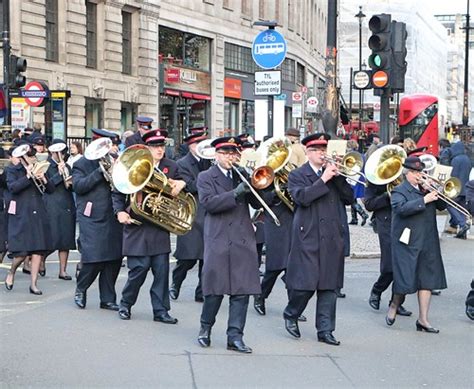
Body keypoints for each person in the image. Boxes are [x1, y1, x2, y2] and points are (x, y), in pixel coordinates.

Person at [283, 134, 353, 346]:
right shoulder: (297, 174)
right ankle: (291, 313)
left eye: (324, 150)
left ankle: (325, 330)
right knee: (306, 284)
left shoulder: (335, 174)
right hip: (308, 235)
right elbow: (301, 198)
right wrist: (323, 179)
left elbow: (349, 198)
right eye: (317, 150)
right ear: (307, 152)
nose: (322, 154)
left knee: (329, 286)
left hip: (332, 236)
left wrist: (339, 177)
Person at [196, 136, 261, 354]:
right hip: (219, 237)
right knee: (215, 290)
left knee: (241, 291)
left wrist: (258, 185)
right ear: (216, 155)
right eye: (225, 153)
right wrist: (235, 193)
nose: (230, 157)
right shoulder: (206, 177)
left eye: (233, 153)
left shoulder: (241, 174)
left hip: (242, 237)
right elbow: (209, 204)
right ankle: (206, 327)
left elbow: (258, 203)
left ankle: (235, 336)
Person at [114, 129, 186, 323]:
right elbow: (118, 192)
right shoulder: (135, 164)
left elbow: (186, 187)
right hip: (137, 226)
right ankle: (126, 304)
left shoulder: (171, 166)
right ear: (147, 148)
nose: (159, 150)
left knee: (161, 272)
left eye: (162, 146)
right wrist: (120, 211)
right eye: (155, 146)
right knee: (138, 270)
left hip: (159, 226)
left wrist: (181, 183)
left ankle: (161, 311)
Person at [385, 157, 447, 333]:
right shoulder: (399, 190)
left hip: (427, 239)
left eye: (421, 172)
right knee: (405, 278)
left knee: (427, 279)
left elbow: (442, 206)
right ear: (407, 174)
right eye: (415, 173)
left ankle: (423, 319)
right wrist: (424, 200)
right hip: (407, 240)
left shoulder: (427, 188)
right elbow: (401, 209)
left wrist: (438, 190)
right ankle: (394, 305)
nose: (419, 176)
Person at [72, 128, 123, 311]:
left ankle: (108, 298)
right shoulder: (82, 164)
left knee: (114, 258)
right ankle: (81, 288)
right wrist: (99, 172)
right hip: (92, 217)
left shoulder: (117, 162)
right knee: (94, 258)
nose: (112, 148)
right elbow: (78, 186)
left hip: (114, 214)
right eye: (108, 145)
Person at [4, 142, 54, 295]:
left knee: (38, 250)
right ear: (22, 157)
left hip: (37, 211)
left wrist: (43, 179)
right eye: (29, 156)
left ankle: (33, 284)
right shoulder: (12, 170)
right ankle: (12, 272)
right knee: (22, 252)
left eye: (33, 156)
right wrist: (27, 176)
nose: (32, 159)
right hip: (22, 212)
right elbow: (13, 187)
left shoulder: (40, 167)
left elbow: (50, 189)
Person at [170, 131, 211, 303]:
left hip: (208, 212)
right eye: (196, 145)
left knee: (207, 258)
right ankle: (175, 285)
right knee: (187, 259)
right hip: (192, 213)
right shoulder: (182, 164)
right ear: (190, 146)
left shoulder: (209, 161)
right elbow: (191, 186)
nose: (200, 148)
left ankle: (201, 291)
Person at [364, 179, 412, 316]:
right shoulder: (374, 181)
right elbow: (369, 204)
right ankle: (377, 290)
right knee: (390, 265)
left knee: (404, 266)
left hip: (405, 222)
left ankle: (396, 302)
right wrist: (387, 195)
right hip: (386, 223)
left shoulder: (405, 179)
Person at [43, 140, 76, 280]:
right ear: (52, 152)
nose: (61, 155)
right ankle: (40, 261)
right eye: (58, 152)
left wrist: (70, 179)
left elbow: (72, 186)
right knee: (52, 238)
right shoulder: (45, 166)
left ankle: (63, 270)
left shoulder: (68, 165)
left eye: (62, 152)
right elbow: (48, 187)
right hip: (52, 205)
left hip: (67, 204)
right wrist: (59, 173)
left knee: (66, 239)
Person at [448, 141, 471, 239]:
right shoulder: (467, 159)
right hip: (465, 187)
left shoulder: (455, 160)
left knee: (449, 204)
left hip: (456, 187)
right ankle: (459, 226)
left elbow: (453, 175)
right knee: (461, 208)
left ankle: (462, 224)